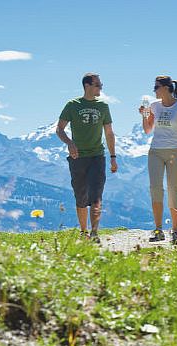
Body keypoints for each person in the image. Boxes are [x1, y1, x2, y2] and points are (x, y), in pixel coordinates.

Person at [56, 72, 118, 243]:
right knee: (81, 196)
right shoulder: (72, 105)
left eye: (101, 85)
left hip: (97, 156)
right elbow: (59, 129)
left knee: (96, 195)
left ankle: (95, 232)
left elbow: (109, 132)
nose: (101, 87)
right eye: (98, 85)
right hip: (78, 157)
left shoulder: (103, 106)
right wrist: (69, 143)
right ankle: (84, 232)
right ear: (87, 86)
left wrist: (113, 157)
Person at [139, 75, 177, 245]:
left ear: (166, 88)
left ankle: (175, 232)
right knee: (155, 188)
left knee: (174, 189)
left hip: (175, 151)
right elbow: (148, 130)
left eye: (156, 87)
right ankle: (158, 229)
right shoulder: (154, 106)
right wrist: (144, 115)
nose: (154, 90)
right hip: (155, 151)